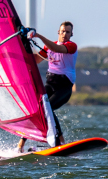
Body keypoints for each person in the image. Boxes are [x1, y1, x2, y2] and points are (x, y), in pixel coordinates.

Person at [18, 21, 77, 152]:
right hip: (50, 84)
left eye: (68, 32)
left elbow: (57, 49)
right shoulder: (49, 46)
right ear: (58, 32)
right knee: (36, 109)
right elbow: (36, 60)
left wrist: (38, 35)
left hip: (64, 88)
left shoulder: (72, 46)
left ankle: (59, 142)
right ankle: (20, 145)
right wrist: (21, 44)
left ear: (71, 34)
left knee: (48, 109)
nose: (65, 34)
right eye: (62, 31)